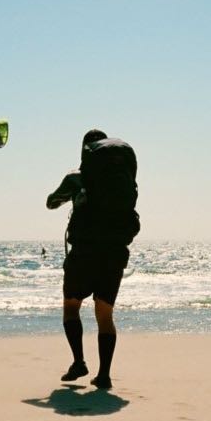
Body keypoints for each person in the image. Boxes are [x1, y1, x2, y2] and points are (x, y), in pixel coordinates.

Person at [47, 130, 140, 389]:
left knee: (71, 306)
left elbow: (51, 202)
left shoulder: (77, 177)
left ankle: (79, 361)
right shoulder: (121, 181)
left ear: (85, 150)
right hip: (114, 251)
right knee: (105, 314)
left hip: (85, 251)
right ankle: (104, 375)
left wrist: (66, 198)